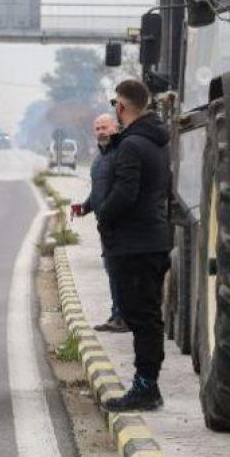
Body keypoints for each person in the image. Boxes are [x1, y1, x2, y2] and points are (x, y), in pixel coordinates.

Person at [96, 79, 172, 412]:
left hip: (134, 244)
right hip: (152, 239)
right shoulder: (155, 142)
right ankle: (147, 384)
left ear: (121, 107)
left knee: (141, 318)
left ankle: (145, 388)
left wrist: (104, 216)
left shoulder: (132, 146)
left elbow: (125, 193)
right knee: (148, 316)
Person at [71, 113, 126, 333]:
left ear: (116, 127)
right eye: (97, 128)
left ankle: (122, 317)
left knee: (119, 271)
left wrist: (108, 211)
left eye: (105, 127)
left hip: (120, 223)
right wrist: (84, 207)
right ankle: (117, 314)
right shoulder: (99, 158)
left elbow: (123, 189)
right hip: (105, 225)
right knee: (112, 270)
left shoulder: (121, 153)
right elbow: (98, 192)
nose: (101, 132)